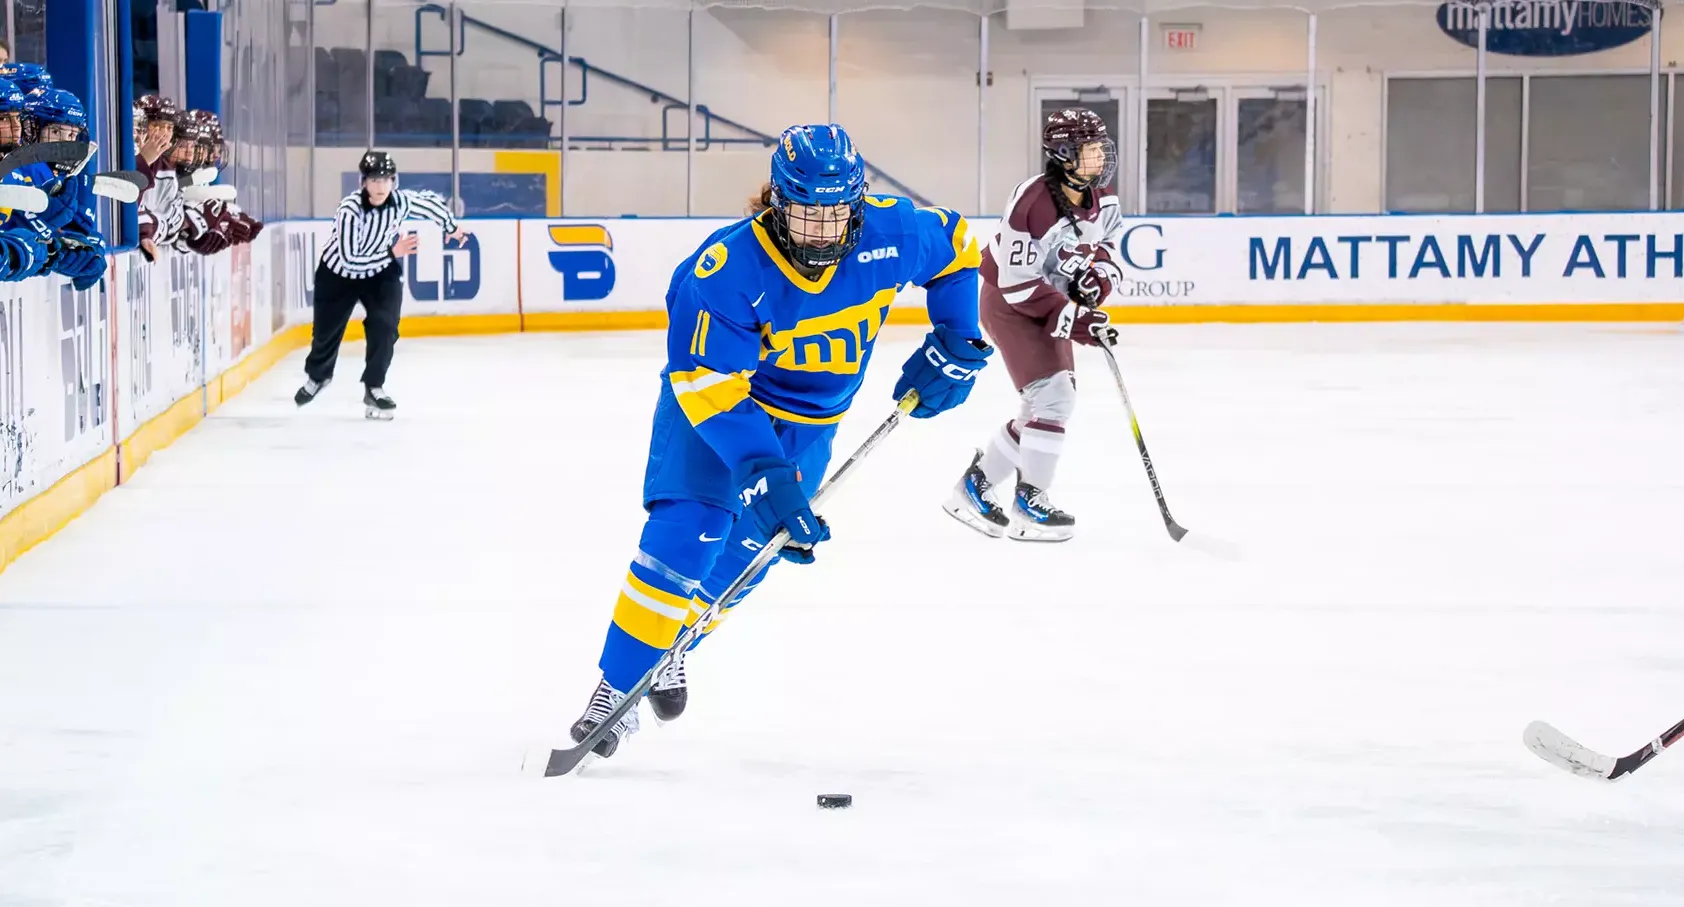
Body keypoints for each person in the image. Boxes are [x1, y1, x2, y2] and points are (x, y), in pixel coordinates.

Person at [567, 123, 993, 759]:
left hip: (812, 425)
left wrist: (956, 337)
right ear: (776, 202)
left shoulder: (893, 233)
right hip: (716, 406)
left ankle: (673, 647)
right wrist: (760, 468)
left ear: (857, 204)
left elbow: (959, 247)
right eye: (804, 215)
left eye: (835, 216)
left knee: (747, 553)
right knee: (689, 533)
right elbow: (705, 380)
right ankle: (616, 688)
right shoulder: (725, 268)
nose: (821, 233)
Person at [941, 107, 1125, 542]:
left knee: (1045, 406)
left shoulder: (1104, 197)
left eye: (1101, 148)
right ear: (1063, 154)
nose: (1100, 157)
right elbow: (1017, 283)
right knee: (1054, 400)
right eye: (1090, 150)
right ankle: (1030, 501)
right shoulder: (1033, 200)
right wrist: (1075, 317)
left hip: (1048, 301)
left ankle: (975, 485)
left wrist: (1098, 278)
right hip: (1009, 304)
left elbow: (1108, 247)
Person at [294, 150, 468, 419]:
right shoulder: (349, 210)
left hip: (380, 272)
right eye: (374, 180)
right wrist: (392, 253)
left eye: (386, 179)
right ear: (363, 183)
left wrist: (451, 228)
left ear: (394, 181)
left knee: (386, 327)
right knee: (326, 332)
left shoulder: (400, 202)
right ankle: (319, 376)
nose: (380, 186)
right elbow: (350, 258)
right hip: (338, 274)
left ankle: (374, 386)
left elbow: (431, 205)